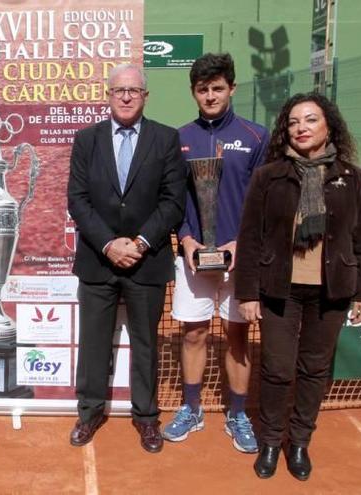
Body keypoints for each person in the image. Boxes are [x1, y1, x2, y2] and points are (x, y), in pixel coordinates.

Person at [235, 92, 361, 481]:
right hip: (279, 288)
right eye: (295, 121)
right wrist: (247, 293)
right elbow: (250, 237)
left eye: (311, 120)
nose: (301, 128)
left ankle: (298, 442)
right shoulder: (269, 176)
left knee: (314, 369)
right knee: (278, 368)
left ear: (328, 126)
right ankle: (270, 442)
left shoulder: (352, 177)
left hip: (332, 290)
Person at [67, 63, 187, 453]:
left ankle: (147, 418)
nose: (126, 96)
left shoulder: (166, 139)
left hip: (146, 260)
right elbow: (78, 200)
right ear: (108, 94)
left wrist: (139, 242)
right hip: (97, 260)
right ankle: (88, 413)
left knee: (145, 343)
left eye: (133, 90)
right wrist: (108, 244)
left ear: (145, 96)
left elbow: (173, 202)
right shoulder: (86, 140)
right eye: (119, 90)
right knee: (93, 342)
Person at [163, 53, 269, 453]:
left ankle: (238, 413)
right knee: (193, 333)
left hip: (241, 257)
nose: (210, 95)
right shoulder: (179, 138)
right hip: (193, 257)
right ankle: (192, 408)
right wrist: (187, 240)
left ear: (232, 89)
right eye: (203, 89)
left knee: (238, 335)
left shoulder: (257, 137)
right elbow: (173, 200)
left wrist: (241, 244)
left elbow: (265, 201)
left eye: (218, 88)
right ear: (194, 92)